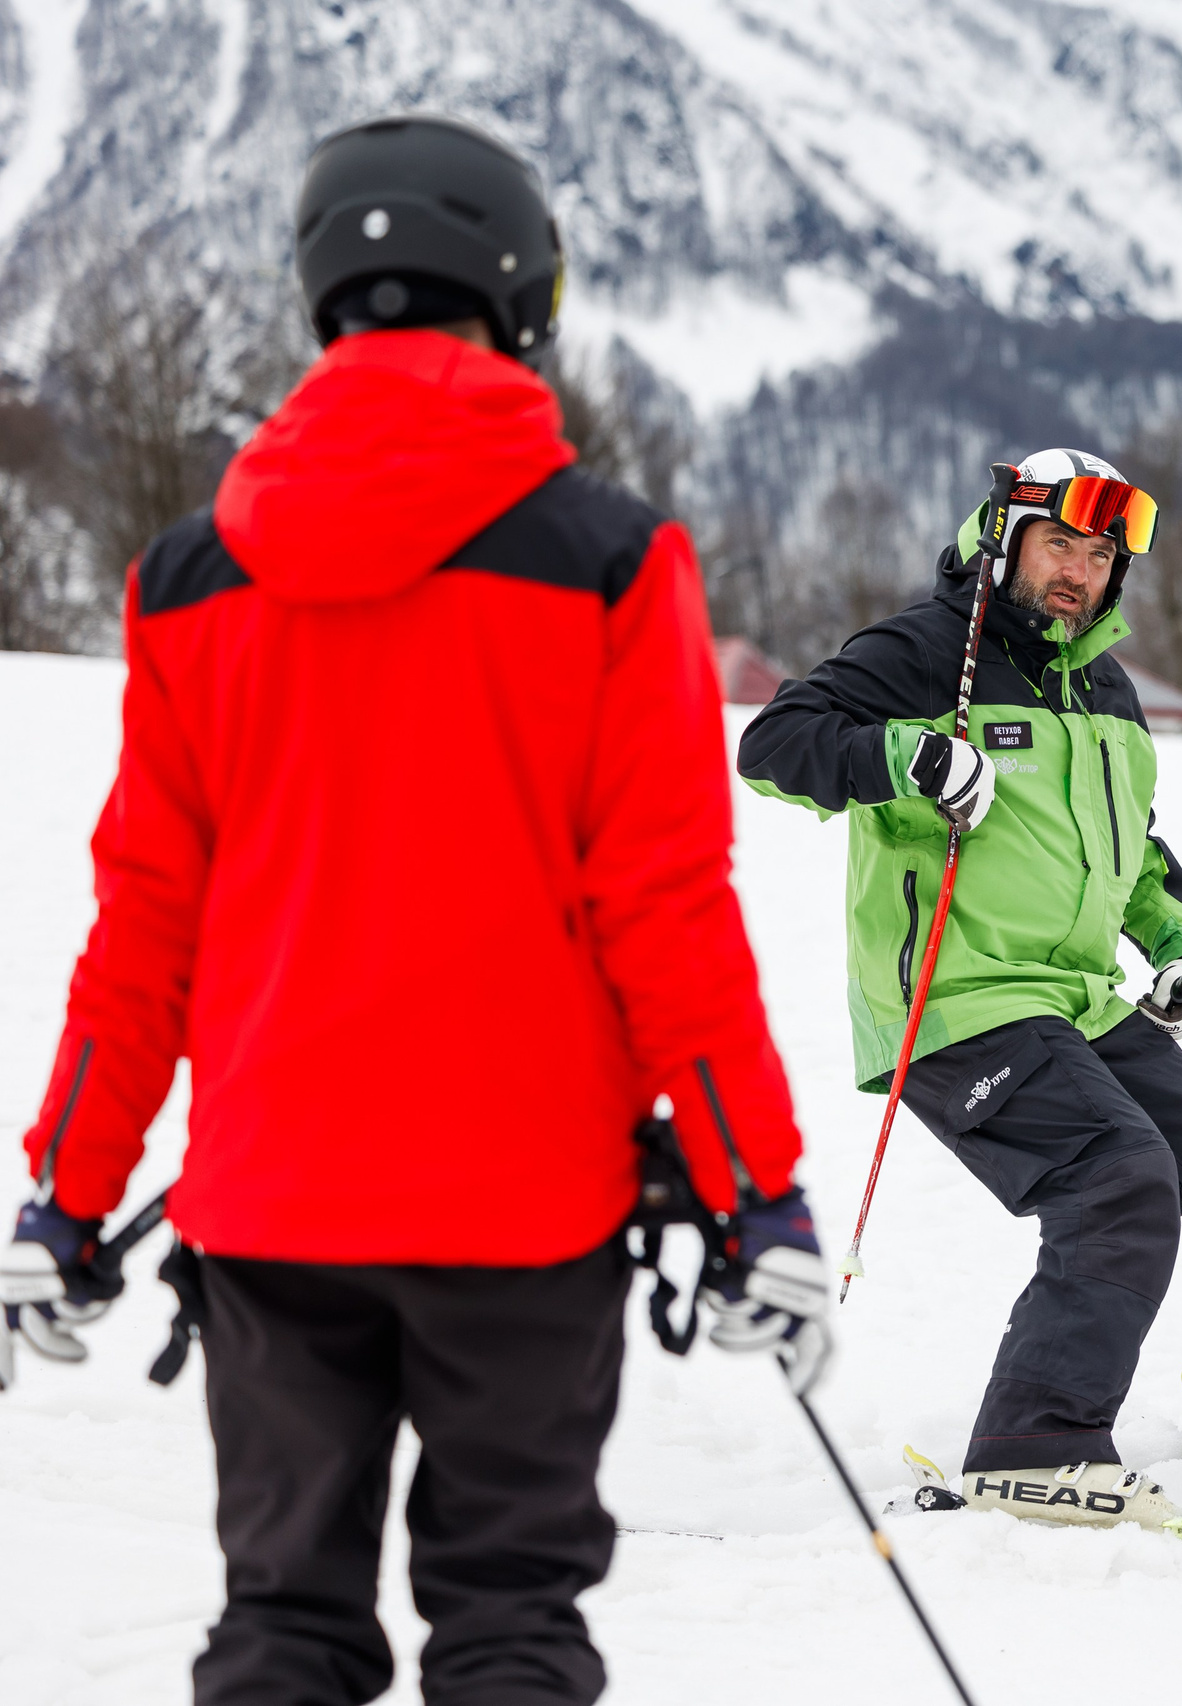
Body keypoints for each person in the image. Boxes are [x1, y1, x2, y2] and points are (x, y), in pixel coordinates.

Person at [0, 114, 831, 1705]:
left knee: (283, 1629)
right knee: (510, 1624)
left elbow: (143, 928)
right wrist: (755, 1195)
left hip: (270, 1210)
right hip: (524, 1208)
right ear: (522, 294)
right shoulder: (605, 557)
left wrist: (65, 1197)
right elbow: (667, 905)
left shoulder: (188, 576)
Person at [738, 450, 1182, 1539]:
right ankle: (1034, 1447)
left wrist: (1174, 934)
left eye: (1100, 553)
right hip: (955, 999)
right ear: (1006, 541)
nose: (1080, 571)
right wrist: (907, 756)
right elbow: (771, 747)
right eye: (1060, 542)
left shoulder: (1102, 682)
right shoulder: (925, 651)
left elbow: (1125, 843)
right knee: (1117, 1178)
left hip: (1078, 995)